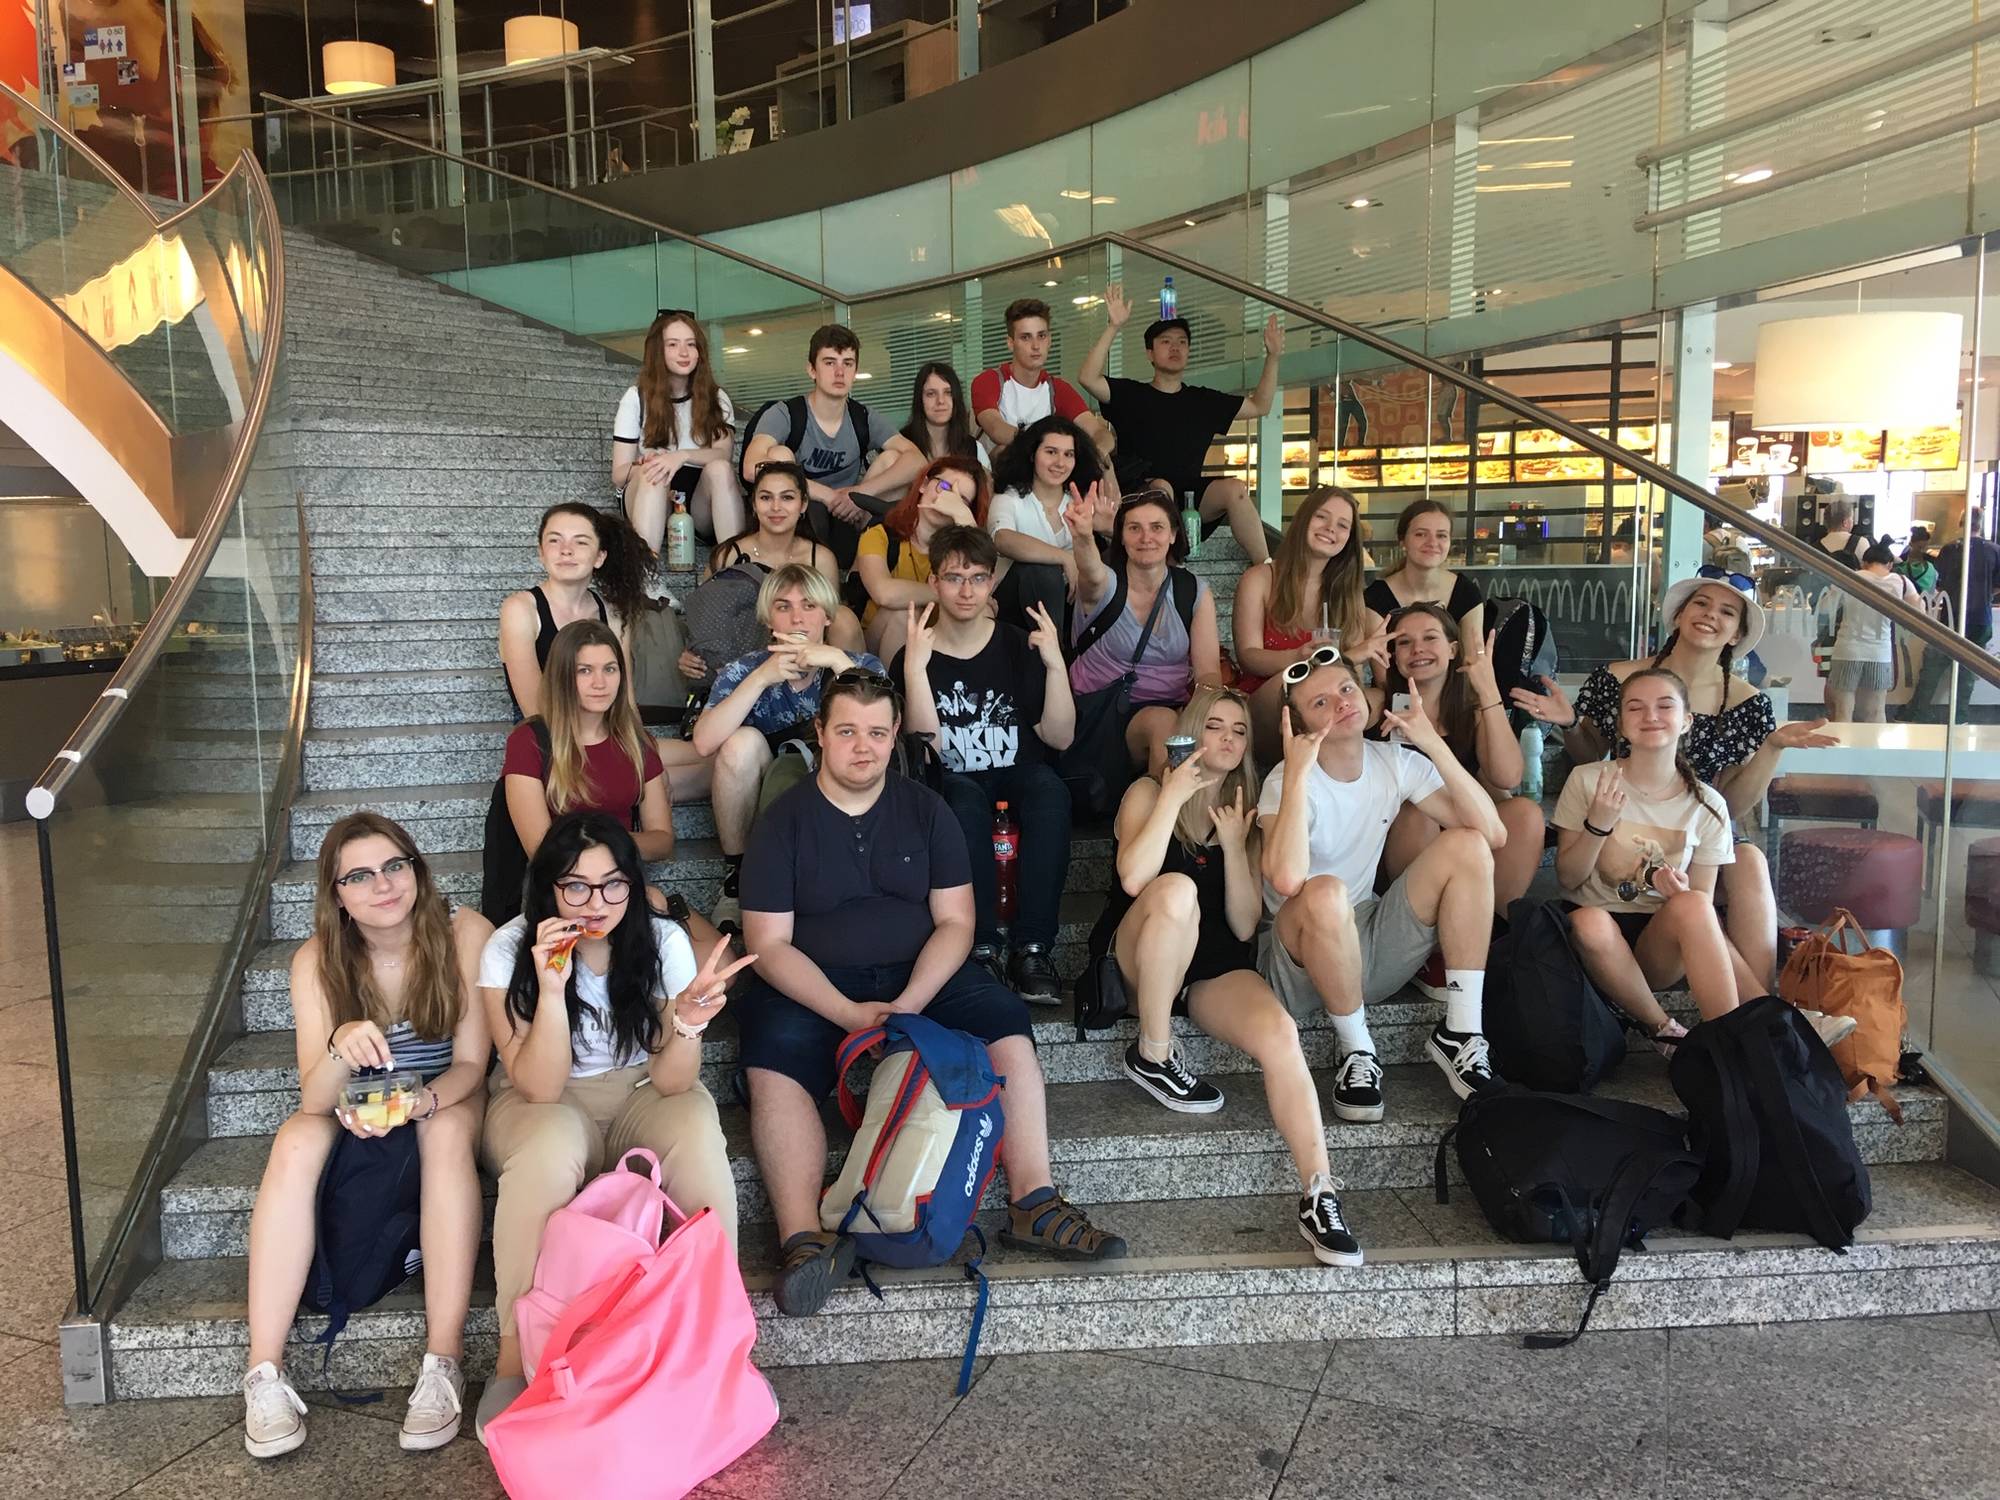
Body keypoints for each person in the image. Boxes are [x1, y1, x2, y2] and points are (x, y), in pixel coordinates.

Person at [735, 671, 1126, 1317]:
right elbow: (769, 945)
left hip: (922, 974)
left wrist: (911, 1001)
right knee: (772, 1059)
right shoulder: (783, 822)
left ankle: (1032, 1201)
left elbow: (956, 923)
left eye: (877, 732)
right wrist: (846, 1012)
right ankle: (804, 1240)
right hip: (814, 980)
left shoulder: (927, 810)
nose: (863, 747)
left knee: (1004, 1024)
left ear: (896, 735)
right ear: (821, 734)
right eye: (847, 731)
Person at [473, 813, 746, 1439]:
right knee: (548, 1148)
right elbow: (538, 1087)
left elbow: (674, 1082)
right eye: (576, 885)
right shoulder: (509, 948)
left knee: (696, 1124)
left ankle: (720, 1340)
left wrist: (688, 1023)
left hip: (639, 1091)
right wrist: (551, 988)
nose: (596, 903)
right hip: (542, 1100)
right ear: (548, 887)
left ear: (633, 885)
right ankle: (514, 1356)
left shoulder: (662, 941)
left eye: (613, 884)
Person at [243, 813, 492, 1458]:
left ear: (417, 871)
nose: (382, 885)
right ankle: (263, 1373)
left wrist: (423, 1100)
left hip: (444, 1094)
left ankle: (442, 1362)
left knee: (442, 1134)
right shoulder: (317, 959)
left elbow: (472, 1062)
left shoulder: (465, 933)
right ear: (336, 895)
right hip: (356, 1105)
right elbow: (314, 1098)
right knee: (296, 1139)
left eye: (394, 866)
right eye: (358, 876)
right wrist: (340, 1044)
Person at [1100, 686, 1360, 1265]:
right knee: (1176, 889)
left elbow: (1244, 926)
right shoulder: (1147, 792)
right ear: (1191, 731)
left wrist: (1238, 846)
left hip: (1210, 967)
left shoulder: (1244, 807)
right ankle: (1154, 1051)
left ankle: (1319, 1193)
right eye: (1214, 725)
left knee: (1281, 1034)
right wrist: (1173, 795)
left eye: (1239, 731)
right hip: (1144, 955)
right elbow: (1134, 878)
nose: (1228, 738)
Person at [1512, 569, 1837, 994]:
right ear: (1679, 615)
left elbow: (1729, 806)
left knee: (1751, 860)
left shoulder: (1748, 703)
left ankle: (1761, 1002)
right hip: (1624, 816)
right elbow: (1589, 755)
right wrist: (1572, 722)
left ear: (1738, 634)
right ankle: (1762, 1013)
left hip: (1697, 829)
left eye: (1727, 612)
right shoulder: (1618, 678)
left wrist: (1771, 748)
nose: (1710, 615)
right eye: (1701, 603)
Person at [1258, 650, 1505, 1120]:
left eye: (1346, 689)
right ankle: (1358, 1051)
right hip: (1297, 962)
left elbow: (1492, 834)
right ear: (1299, 725)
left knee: (1468, 845)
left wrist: (1432, 744)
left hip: (1367, 943)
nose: (1341, 703)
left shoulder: (1394, 761)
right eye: (1320, 703)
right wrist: (1296, 774)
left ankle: (1461, 1030)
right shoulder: (1284, 782)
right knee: (1325, 891)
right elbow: (1288, 879)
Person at [896, 525, 1074, 1003]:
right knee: (961, 802)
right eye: (954, 578)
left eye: (977, 578)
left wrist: (1056, 665)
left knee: (1051, 793)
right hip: (954, 777)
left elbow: (1059, 737)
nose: (967, 590)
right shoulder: (914, 653)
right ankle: (981, 948)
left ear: (992, 582)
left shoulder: (1017, 645)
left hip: (1018, 770)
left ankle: (1032, 948)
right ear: (934, 582)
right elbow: (927, 749)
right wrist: (915, 671)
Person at [1552, 669, 1762, 1051]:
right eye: (1636, 707)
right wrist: (1598, 825)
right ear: (1621, 724)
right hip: (1594, 937)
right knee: (1590, 922)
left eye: (1665, 706)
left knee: (1694, 904)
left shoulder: (1708, 804)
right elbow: (1568, 878)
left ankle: (1729, 1045)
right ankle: (1664, 1030)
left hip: (1661, 943)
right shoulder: (1587, 780)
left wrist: (1679, 892)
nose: (1650, 716)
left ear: (1686, 721)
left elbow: (1701, 903)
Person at [689, 564, 885, 927]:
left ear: (827, 616)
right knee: (739, 744)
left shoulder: (859, 665)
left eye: (809, 606)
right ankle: (738, 877)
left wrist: (837, 662)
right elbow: (703, 742)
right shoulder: (745, 668)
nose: (797, 617)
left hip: (841, 793)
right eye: (783, 606)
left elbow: (881, 730)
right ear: (768, 618)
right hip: (765, 791)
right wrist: (762, 677)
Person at [1077, 283, 1282, 565]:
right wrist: (1114, 326)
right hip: (1142, 491)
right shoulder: (1130, 394)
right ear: (1150, 353)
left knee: (1235, 489)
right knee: (1162, 489)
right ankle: (1170, 568)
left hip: (1190, 500)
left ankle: (1266, 566)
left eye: (1182, 342)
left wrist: (1273, 357)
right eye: (1165, 341)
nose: (1175, 347)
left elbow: (1260, 406)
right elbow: (1087, 377)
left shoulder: (1203, 400)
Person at [1372, 604, 1544, 916]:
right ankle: (1418, 932)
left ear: (1453, 650)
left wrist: (1488, 689)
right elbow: (1333, 704)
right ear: (1393, 656)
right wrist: (1349, 657)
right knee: (1419, 808)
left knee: (1526, 814)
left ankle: (1492, 927)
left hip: (1466, 832)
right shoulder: (1378, 702)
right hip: (1397, 845)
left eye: (1430, 638)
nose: (1418, 649)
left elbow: (1508, 777)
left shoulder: (1470, 710)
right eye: (1405, 642)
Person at [502, 619, 712, 870]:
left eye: (610, 669)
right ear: (562, 676)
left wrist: (605, 843)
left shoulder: (635, 741)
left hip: (621, 881)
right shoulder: (529, 741)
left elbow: (662, 840)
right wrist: (609, 845)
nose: (600, 683)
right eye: (585, 671)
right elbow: (539, 850)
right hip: (561, 883)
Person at [1069, 488, 1226, 777]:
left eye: (1157, 527)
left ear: (1173, 535)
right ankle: (1169, 802)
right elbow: (1090, 572)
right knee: (1164, 724)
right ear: (1121, 537)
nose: (1146, 537)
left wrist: (1206, 715)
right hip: (1099, 714)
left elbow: (1207, 673)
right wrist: (1083, 537)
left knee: (1208, 725)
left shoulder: (1192, 591)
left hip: (1171, 707)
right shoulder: (1107, 584)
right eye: (1134, 528)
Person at [1233, 485, 1389, 761]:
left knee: (1377, 699)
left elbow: (1349, 679)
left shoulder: (1348, 593)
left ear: (1349, 539)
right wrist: (1298, 658)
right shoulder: (1260, 578)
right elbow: (1248, 656)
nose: (1330, 528)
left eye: (1342, 525)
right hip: (1268, 703)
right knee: (1290, 681)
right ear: (1304, 519)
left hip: (1326, 705)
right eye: (1322, 517)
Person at [679, 460, 862, 689]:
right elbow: (705, 620)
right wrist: (690, 654)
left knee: (843, 617)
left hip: (804, 657)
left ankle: (850, 694)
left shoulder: (821, 558)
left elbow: (829, 621)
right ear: (754, 505)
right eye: (766, 497)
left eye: (787, 498)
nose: (776, 507)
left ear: (803, 504)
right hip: (742, 659)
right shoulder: (728, 555)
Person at [740, 323, 902, 570]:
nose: (839, 372)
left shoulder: (863, 417)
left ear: (855, 371)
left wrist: (859, 493)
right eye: (829, 362)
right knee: (778, 455)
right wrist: (827, 495)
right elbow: (751, 467)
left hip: (850, 517)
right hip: (804, 518)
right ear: (811, 370)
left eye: (847, 363)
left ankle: (858, 575)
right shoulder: (786, 413)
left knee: (894, 458)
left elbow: (917, 460)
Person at [499, 503, 654, 719]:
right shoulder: (520, 609)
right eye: (554, 540)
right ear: (541, 553)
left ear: (599, 557)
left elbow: (624, 702)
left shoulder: (612, 613)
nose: (566, 550)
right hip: (544, 734)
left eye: (580, 542)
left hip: (602, 730)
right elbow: (535, 712)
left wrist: (634, 739)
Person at [611, 309, 742, 550]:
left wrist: (681, 456)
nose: (684, 352)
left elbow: (723, 454)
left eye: (691, 344)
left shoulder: (717, 397)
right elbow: (619, 474)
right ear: (657, 351)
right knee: (655, 473)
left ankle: (734, 562)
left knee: (721, 469)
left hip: (699, 501)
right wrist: (648, 464)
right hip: (648, 495)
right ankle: (645, 567)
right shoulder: (636, 397)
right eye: (673, 344)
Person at [853, 456, 987, 662]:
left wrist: (964, 520)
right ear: (924, 484)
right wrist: (950, 593)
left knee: (985, 612)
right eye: (944, 486)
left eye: (961, 499)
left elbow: (981, 588)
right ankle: (900, 684)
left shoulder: (961, 554)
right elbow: (883, 593)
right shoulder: (880, 534)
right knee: (904, 614)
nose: (947, 499)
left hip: (939, 644)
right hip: (878, 640)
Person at [985, 412, 1105, 629]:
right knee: (1041, 571)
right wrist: (1063, 558)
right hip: (1016, 610)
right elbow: (1002, 539)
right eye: (1051, 452)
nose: (1060, 463)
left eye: (1068, 454)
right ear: (1032, 455)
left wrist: (1109, 529)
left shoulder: (1079, 501)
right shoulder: (1009, 498)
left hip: (1070, 605)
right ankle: (1052, 649)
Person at [971, 297, 1113, 463]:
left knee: (1104, 461)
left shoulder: (1057, 388)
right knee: (1006, 450)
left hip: (1045, 469)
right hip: (997, 470)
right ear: (1010, 343)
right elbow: (996, 429)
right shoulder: (989, 380)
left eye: (1041, 336)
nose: (1036, 345)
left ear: (1049, 340)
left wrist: (1098, 452)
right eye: (1026, 337)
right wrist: (1046, 446)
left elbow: (1099, 432)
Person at [1906, 515, 2000, 723]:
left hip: (1950, 616)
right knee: (1968, 673)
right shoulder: (1994, 550)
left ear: (1961, 524)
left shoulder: (1950, 549)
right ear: (1981, 524)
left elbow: (1939, 582)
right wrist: (1985, 595)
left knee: (1932, 667)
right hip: (1980, 619)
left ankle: (1918, 713)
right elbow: (1997, 586)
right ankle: (1959, 717)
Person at [1363, 498, 1486, 644]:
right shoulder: (1376, 598)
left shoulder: (1466, 593)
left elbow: (1475, 655)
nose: (1432, 543)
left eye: (1441, 535)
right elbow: (1378, 657)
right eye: (1421, 534)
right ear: (1402, 541)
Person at [859, 361, 988, 496]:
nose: (940, 401)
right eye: (931, 394)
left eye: (948, 393)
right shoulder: (901, 445)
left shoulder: (974, 448)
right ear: (920, 400)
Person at [1826, 539, 1921, 723]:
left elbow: (1825, 607)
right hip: (1879, 652)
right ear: (1890, 564)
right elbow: (1919, 612)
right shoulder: (1901, 582)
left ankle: (1843, 741)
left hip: (1847, 650)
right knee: (1875, 711)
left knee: (1843, 711)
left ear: (1864, 563)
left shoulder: (1849, 577)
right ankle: (1874, 742)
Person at [1817, 498, 1861, 567]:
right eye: (1852, 518)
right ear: (1845, 523)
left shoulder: (1814, 548)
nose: (1853, 521)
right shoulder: (1861, 542)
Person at [1898, 526, 1939, 594]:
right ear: (1911, 543)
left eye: (1925, 547)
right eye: (1919, 547)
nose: (1922, 550)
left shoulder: (1930, 561)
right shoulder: (1902, 559)